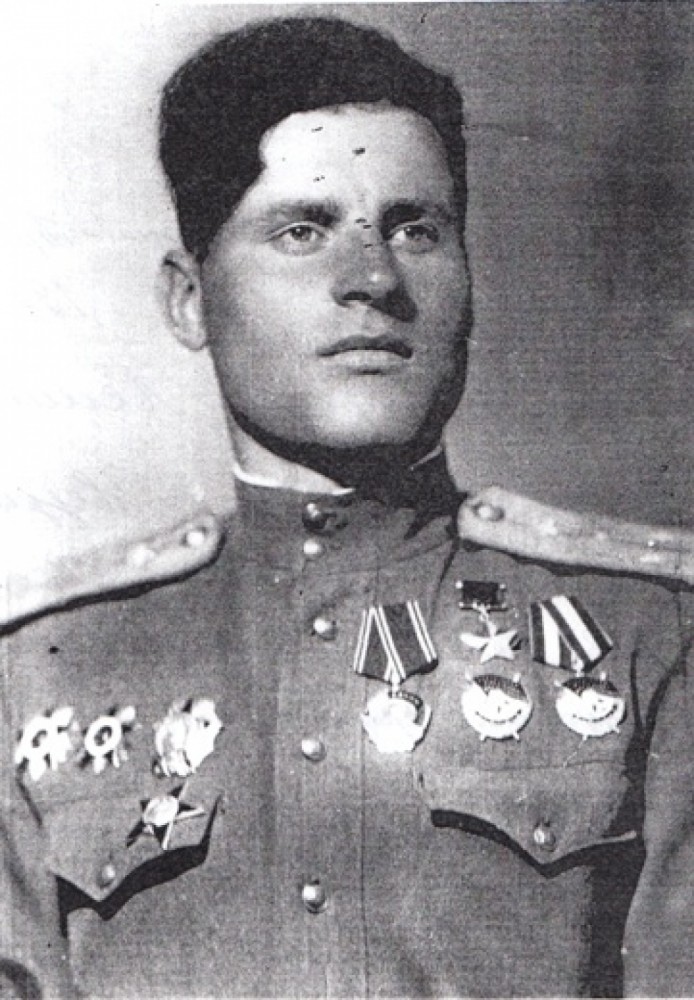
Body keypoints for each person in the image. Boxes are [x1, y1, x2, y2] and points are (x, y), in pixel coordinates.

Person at [1, 15, 692, 999]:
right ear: (189, 299)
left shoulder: (653, 634)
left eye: (416, 229)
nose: (373, 280)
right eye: (303, 230)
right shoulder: (36, 669)